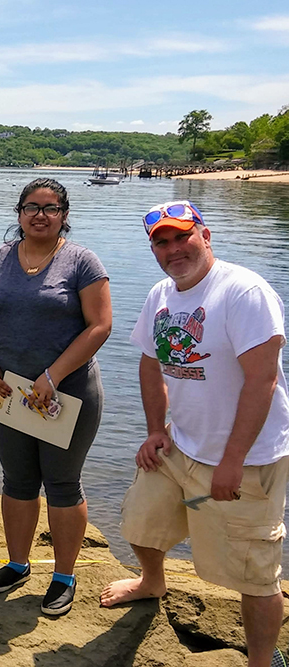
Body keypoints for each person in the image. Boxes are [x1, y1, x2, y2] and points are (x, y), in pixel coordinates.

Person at [100, 201, 289, 667]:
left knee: (255, 574)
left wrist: (232, 460)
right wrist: (153, 431)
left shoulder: (244, 291)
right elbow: (150, 363)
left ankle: (261, 661)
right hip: (180, 444)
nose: (172, 249)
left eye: (182, 236)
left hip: (248, 460)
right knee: (140, 522)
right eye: (160, 242)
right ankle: (151, 582)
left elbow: (262, 379)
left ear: (205, 236)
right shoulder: (162, 294)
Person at [0, 178, 111, 616]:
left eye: (50, 208)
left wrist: (53, 374)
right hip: (9, 392)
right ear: (18, 213)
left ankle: (64, 575)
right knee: (17, 480)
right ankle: (17, 563)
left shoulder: (82, 261)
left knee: (63, 483)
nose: (39, 215)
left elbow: (100, 325)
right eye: (31, 207)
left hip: (66, 393)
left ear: (64, 214)